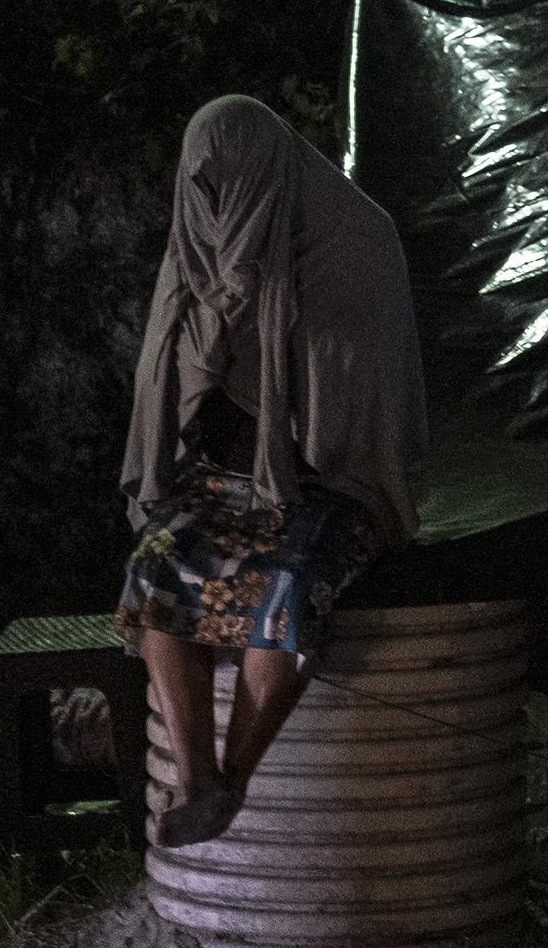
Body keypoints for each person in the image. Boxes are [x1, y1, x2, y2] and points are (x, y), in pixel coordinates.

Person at [117, 96, 426, 849]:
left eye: (237, 188)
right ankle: (197, 779)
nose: (221, 207)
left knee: (287, 587)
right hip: (226, 473)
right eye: (206, 188)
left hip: (330, 472)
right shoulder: (199, 239)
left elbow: (356, 391)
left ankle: (237, 773)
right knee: (157, 567)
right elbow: (177, 364)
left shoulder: (354, 240)